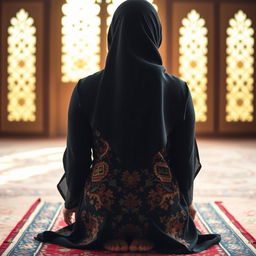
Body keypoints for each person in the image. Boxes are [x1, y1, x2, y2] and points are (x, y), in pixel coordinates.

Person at [35, 0, 221, 253]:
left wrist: (73, 201)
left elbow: (77, 155)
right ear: (155, 33)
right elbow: (184, 156)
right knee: (169, 207)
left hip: (102, 212)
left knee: (98, 200)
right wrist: (186, 202)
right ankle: (157, 233)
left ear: (114, 33)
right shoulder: (178, 89)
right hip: (161, 212)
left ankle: (107, 233)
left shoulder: (85, 88)